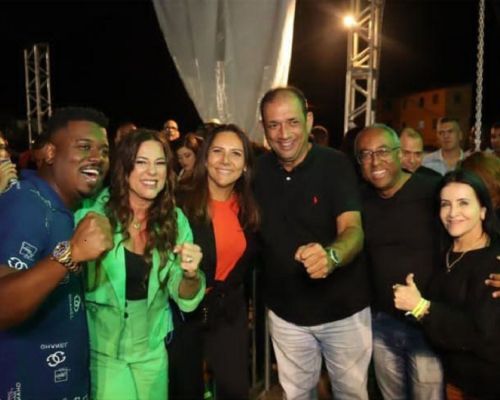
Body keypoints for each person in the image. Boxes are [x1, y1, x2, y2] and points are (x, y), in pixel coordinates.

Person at [255, 86, 371, 399]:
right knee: (296, 395)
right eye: (274, 125)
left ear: (308, 121)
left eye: (292, 122)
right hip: (286, 315)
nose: (283, 134)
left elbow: (353, 230)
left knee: (351, 394)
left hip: (343, 312)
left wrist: (331, 256)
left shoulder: (336, 164)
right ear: (263, 128)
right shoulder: (258, 170)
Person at [75, 128, 205, 400]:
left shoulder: (175, 220)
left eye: (160, 163)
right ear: (124, 168)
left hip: (152, 348)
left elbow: (183, 296)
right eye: (141, 162)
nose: (152, 172)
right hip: (103, 350)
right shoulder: (93, 215)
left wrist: (191, 276)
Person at [0, 107, 113, 399]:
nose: (97, 158)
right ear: (50, 153)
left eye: (104, 151)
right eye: (84, 147)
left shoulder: (61, 208)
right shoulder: (26, 205)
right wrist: (70, 254)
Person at [170, 124, 259, 400]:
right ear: (206, 158)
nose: (225, 160)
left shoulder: (249, 207)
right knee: (186, 391)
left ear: (245, 165)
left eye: (236, 154)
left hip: (228, 311)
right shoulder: (180, 202)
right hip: (184, 313)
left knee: (235, 390)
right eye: (218, 151)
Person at [393, 169, 500, 399]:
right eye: (445, 204)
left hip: (485, 384)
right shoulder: (445, 249)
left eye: (463, 203)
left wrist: (420, 307)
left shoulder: (494, 260)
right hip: (451, 377)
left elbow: (479, 333)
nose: (453, 213)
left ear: (483, 210)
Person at [355, 124, 444, 400]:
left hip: (427, 323)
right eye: (366, 154)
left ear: (399, 154)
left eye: (382, 151)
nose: (375, 161)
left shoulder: (432, 190)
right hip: (382, 322)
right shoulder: (361, 199)